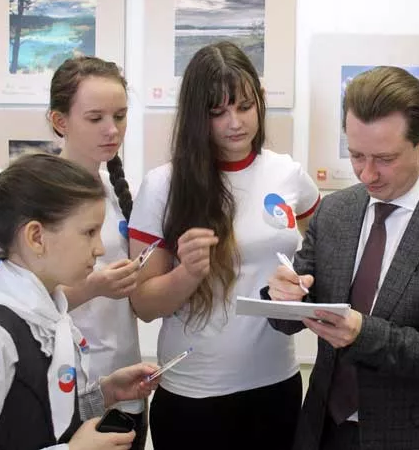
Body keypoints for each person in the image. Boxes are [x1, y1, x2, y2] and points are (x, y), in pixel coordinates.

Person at [266, 66, 419, 450]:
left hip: (411, 438)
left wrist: (363, 334)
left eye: (385, 158)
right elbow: (289, 316)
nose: (367, 174)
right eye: (356, 155)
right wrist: (280, 295)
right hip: (322, 430)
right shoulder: (334, 211)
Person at [127, 41, 320, 449]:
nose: (235, 122)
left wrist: (304, 284)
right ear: (197, 115)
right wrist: (187, 274)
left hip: (277, 384)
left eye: (245, 106)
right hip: (195, 395)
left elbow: (326, 252)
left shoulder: (287, 173)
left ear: (260, 101)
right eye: (218, 112)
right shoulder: (163, 185)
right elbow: (143, 305)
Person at [0, 153, 159, 450]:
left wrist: (106, 394)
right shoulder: (2, 333)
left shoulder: (50, 312)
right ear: (36, 237)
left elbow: (43, 415)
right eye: (89, 233)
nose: (100, 249)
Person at [47, 56, 146, 449]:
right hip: (61, 392)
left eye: (120, 116)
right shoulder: (31, 197)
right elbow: (16, 304)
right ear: (60, 121)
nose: (112, 129)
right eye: (95, 118)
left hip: (125, 385)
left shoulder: (118, 191)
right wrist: (95, 287)